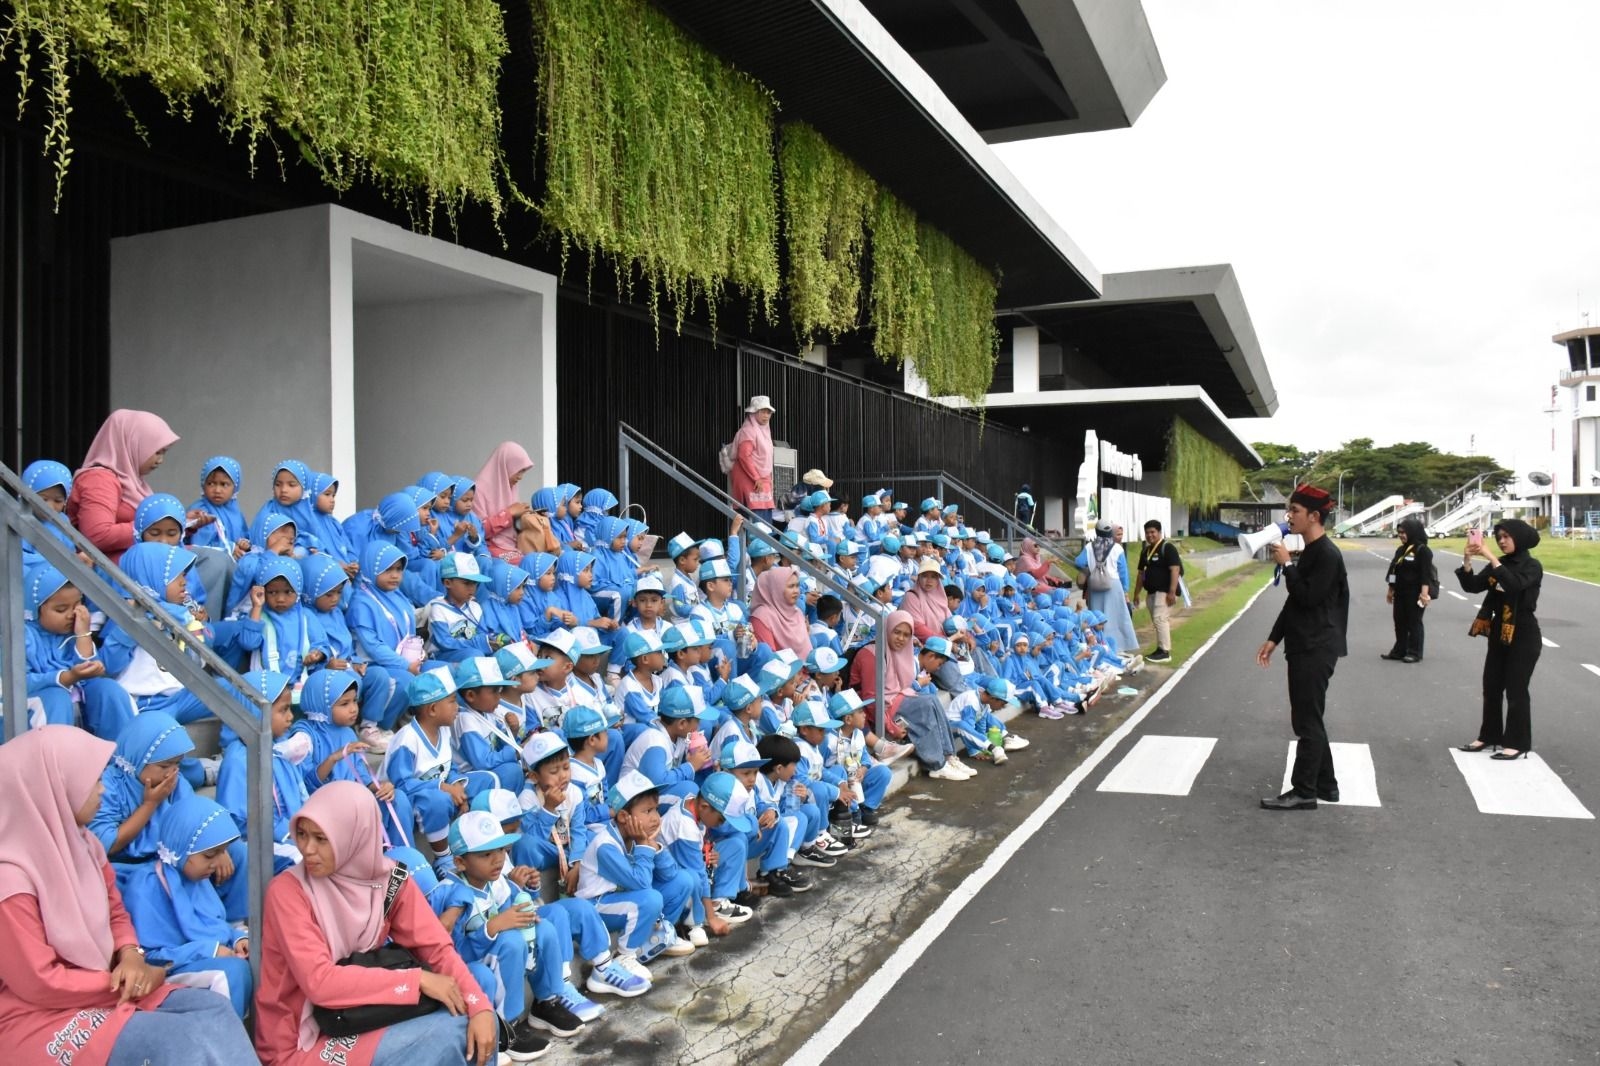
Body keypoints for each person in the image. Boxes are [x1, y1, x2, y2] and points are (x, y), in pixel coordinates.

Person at [0, 725, 258, 1066]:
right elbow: (40, 983)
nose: (102, 790)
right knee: (177, 1042)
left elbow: (116, 913)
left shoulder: (84, 845)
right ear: (52, 788)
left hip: (109, 985)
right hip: (40, 1013)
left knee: (213, 1009)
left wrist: (132, 955)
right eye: (92, 782)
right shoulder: (10, 880)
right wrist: (127, 983)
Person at [255, 780, 498, 1066]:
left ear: (356, 836)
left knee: (478, 1014)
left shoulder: (389, 883)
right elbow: (319, 982)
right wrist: (416, 979)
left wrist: (480, 1006)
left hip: (360, 1013)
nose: (307, 849)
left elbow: (437, 949)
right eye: (302, 834)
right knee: (450, 1032)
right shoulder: (288, 892)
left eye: (322, 839)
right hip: (305, 1037)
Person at [1255, 485, 1349, 811]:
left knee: (1306, 721)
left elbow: (1308, 598)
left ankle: (1304, 791)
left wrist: (1288, 565)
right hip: (1306, 644)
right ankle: (1327, 785)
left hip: (1316, 646)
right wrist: (1274, 637)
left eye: (1294, 511)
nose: (1288, 517)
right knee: (1310, 718)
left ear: (1314, 516)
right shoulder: (1312, 551)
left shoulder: (1326, 554)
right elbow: (1297, 602)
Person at [1457, 519, 1544, 760]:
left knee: (1516, 689)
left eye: (1506, 537)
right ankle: (1489, 735)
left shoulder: (1532, 566)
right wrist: (1467, 560)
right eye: (1499, 537)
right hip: (1499, 632)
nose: (1501, 541)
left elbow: (1514, 585)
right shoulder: (1501, 564)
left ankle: (1517, 742)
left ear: (1520, 538)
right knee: (1491, 686)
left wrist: (1490, 557)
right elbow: (1473, 586)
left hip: (1523, 634)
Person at [68, 409, 180, 564]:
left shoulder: (133, 481)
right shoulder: (99, 480)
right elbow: (97, 535)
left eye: (163, 453)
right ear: (133, 443)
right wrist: (154, 526)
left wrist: (180, 522)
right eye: (157, 452)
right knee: (210, 561)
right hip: (110, 568)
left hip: (134, 560)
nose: (160, 460)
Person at [471, 441, 536, 563]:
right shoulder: (478, 489)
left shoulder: (508, 487)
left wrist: (526, 516)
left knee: (540, 562)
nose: (520, 477)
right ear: (506, 465)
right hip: (487, 548)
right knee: (523, 565)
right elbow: (477, 531)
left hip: (511, 545)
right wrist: (508, 514)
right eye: (519, 470)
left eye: (523, 472)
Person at [1382, 516, 1434, 663]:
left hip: (1416, 594)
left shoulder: (1423, 551)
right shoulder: (1400, 550)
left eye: (1404, 532)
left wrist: (1424, 594)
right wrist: (1390, 590)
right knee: (1399, 621)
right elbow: (1393, 570)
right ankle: (1399, 650)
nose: (1401, 535)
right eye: (1399, 532)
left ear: (1413, 532)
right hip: (1401, 592)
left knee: (1414, 622)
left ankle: (1414, 652)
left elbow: (1425, 575)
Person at [1135, 520, 1183, 663]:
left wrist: (1172, 591)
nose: (1150, 535)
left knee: (1160, 619)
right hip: (1151, 593)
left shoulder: (1167, 548)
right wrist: (1137, 593)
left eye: (1153, 532)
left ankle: (1165, 652)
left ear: (1159, 532)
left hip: (1165, 592)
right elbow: (1140, 573)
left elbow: (1175, 569)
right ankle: (1160, 648)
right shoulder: (1146, 550)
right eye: (1147, 533)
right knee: (1157, 621)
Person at [728, 396, 777, 520]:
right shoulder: (748, 431)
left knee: (765, 517)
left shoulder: (765, 432)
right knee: (754, 517)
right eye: (763, 412)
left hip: (762, 480)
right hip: (750, 478)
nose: (766, 415)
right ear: (754, 412)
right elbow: (744, 455)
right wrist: (756, 477)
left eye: (768, 412)